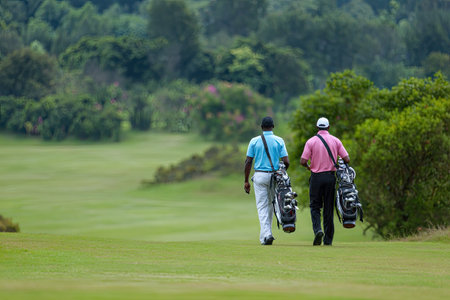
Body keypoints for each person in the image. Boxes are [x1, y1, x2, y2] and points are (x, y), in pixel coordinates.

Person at [300, 117, 349, 246]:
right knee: (328, 208)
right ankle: (328, 240)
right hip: (330, 177)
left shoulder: (311, 141)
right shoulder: (335, 141)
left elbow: (303, 161)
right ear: (328, 127)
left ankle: (317, 230)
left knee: (315, 206)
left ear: (317, 127)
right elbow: (347, 158)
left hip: (316, 177)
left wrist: (308, 167)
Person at [244, 116, 290, 245]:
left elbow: (248, 161)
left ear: (261, 127)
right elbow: (286, 161)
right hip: (274, 176)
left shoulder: (254, 141)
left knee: (262, 206)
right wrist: (281, 172)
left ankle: (267, 235)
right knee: (271, 205)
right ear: (273, 127)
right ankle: (266, 235)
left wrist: (246, 181)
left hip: (260, 176)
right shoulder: (279, 140)